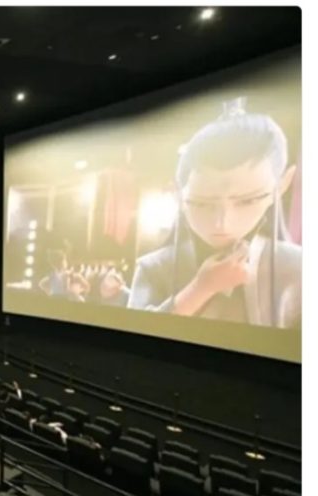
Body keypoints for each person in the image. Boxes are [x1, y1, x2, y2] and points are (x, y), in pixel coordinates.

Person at [128, 99, 300, 328]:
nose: (222, 223)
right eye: (201, 203)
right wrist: (200, 289)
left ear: (282, 185)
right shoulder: (154, 267)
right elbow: (134, 333)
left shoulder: (300, 268)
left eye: (248, 200)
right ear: (178, 194)